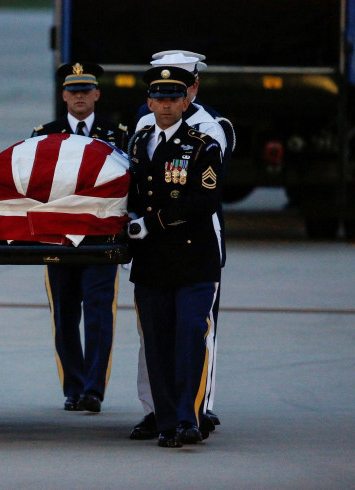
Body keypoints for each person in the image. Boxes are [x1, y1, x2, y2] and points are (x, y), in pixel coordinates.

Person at [129, 50, 232, 441]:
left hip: (194, 257)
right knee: (156, 344)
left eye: (175, 97)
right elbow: (130, 192)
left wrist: (150, 222)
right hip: (153, 261)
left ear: (187, 98)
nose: (167, 104)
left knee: (190, 336)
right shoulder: (139, 142)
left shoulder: (204, 142)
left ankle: (190, 418)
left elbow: (205, 200)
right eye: (160, 97)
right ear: (150, 101)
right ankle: (166, 421)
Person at [31, 62, 129, 412]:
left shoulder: (117, 134)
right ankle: (73, 386)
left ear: (97, 94)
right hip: (57, 238)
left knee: (100, 312)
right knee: (65, 313)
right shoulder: (45, 134)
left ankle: (93, 389)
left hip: (101, 238)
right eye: (73, 91)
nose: (80, 96)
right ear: (63, 96)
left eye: (86, 90)